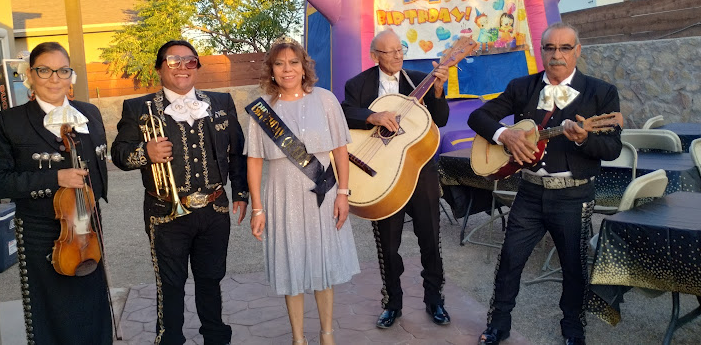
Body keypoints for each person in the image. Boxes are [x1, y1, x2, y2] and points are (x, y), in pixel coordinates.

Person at [469, 22, 622, 345]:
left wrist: (583, 141)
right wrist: (503, 134)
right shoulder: (522, 87)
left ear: (577, 51)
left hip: (574, 195)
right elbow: (479, 116)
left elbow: (611, 148)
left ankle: (573, 329)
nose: (557, 55)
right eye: (550, 48)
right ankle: (498, 325)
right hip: (529, 191)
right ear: (541, 51)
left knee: (573, 266)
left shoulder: (601, 92)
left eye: (565, 48)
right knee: (510, 259)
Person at [110, 40, 248, 345]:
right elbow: (119, 155)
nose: (183, 68)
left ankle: (216, 338)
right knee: (170, 284)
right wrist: (145, 152)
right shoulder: (138, 107)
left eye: (190, 61)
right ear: (159, 69)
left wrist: (241, 194)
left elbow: (238, 152)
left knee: (211, 280)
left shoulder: (221, 102)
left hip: (215, 209)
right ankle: (170, 339)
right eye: (174, 62)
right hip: (165, 213)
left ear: (197, 67)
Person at [0, 42, 112, 344]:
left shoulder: (89, 113)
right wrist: (55, 178)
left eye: (63, 70)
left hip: (87, 225)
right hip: (42, 232)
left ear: (71, 76)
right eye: (45, 70)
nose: (55, 78)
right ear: (31, 74)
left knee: (93, 306)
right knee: (53, 313)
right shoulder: (9, 121)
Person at [245, 39, 360, 345]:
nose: (287, 69)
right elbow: (254, 162)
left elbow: (340, 151)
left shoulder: (325, 100)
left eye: (293, 62)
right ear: (271, 70)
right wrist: (257, 207)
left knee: (323, 265)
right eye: (280, 63)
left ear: (304, 66)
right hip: (281, 197)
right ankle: (298, 338)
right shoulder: (263, 110)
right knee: (290, 266)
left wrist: (343, 194)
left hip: (322, 192)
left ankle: (326, 335)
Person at [341, 29, 451, 329]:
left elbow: (440, 120)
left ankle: (434, 300)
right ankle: (392, 302)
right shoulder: (359, 84)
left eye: (400, 48)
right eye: (390, 51)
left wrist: (439, 91)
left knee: (430, 239)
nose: (398, 55)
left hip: (420, 173)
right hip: (381, 175)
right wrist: (372, 117)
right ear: (375, 55)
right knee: (388, 245)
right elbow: (344, 114)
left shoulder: (420, 79)